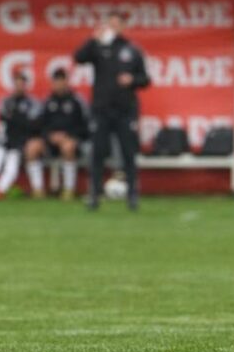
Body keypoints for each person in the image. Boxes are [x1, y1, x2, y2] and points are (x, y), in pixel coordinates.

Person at [74, 11, 150, 212]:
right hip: (101, 110)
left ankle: (132, 195)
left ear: (123, 26)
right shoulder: (98, 47)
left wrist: (132, 80)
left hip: (125, 110)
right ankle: (94, 194)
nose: (113, 27)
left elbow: (145, 79)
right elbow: (78, 58)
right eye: (110, 24)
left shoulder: (131, 49)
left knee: (128, 154)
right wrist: (93, 39)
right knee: (97, 153)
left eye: (117, 24)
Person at [26, 68, 88, 201]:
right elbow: (38, 125)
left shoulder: (77, 101)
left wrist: (68, 135)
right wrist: (49, 136)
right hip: (50, 141)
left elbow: (85, 125)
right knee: (31, 147)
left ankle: (68, 189)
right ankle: (38, 190)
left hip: (71, 140)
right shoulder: (47, 102)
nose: (59, 84)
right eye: (56, 81)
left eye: (62, 81)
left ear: (67, 81)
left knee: (68, 147)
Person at [0, 72, 41, 199]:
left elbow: (32, 124)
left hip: (21, 141)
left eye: (22, 84)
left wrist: (16, 121)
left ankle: (0, 189)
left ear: (26, 85)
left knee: (11, 164)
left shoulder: (32, 103)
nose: (19, 87)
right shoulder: (6, 101)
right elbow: (2, 122)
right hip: (7, 139)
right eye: (17, 83)